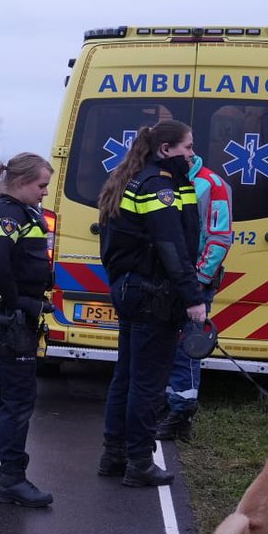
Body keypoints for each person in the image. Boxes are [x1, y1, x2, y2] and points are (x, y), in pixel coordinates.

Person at [96, 120, 206, 487]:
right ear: (166, 149)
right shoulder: (159, 187)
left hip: (131, 290)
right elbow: (171, 246)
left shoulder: (133, 179)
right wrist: (193, 298)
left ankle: (114, 455)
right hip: (152, 296)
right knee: (147, 384)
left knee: (125, 377)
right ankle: (140, 462)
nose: (192, 154)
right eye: (187, 148)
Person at [0, 152, 54, 507]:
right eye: (41, 185)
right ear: (21, 183)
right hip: (8, 319)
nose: (44, 193)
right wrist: (22, 302)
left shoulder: (2, 211)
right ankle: (12, 480)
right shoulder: (10, 215)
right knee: (18, 400)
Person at [155, 153, 234, 442]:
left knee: (187, 347)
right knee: (166, 345)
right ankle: (167, 405)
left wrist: (196, 284)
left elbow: (219, 238)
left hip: (193, 282)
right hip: (167, 281)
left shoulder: (211, 184)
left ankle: (181, 414)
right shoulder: (165, 180)